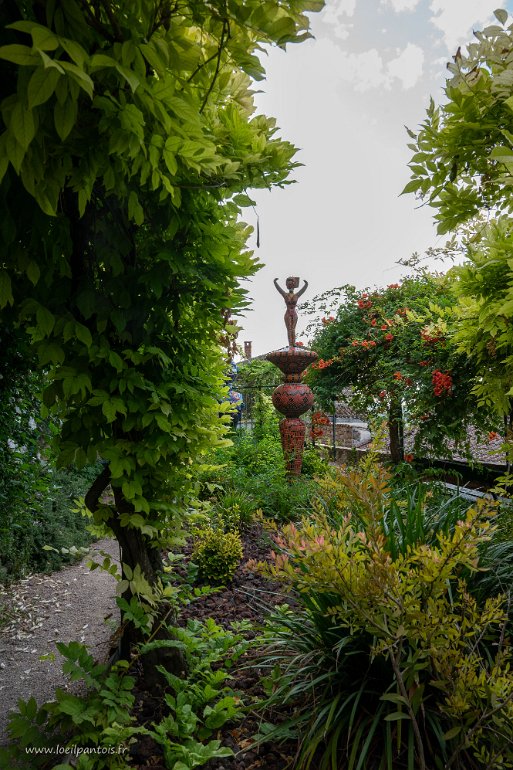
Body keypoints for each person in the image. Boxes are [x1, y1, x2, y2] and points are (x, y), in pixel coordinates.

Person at [273, 276, 308, 346]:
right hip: (288, 313)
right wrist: (275, 282)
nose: (291, 287)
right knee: (289, 329)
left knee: (293, 329)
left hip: (294, 313)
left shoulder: (296, 295)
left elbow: (303, 290)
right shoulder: (285, 295)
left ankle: (293, 343)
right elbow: (279, 289)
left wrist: (306, 284)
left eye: (292, 285)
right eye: (289, 285)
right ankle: (290, 344)